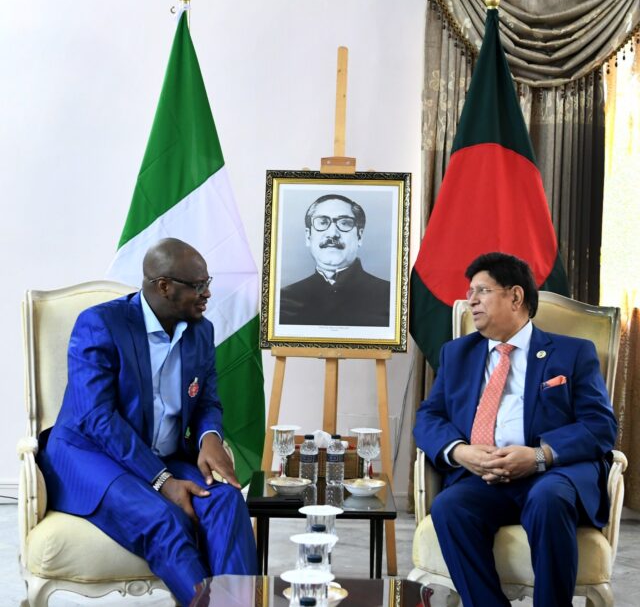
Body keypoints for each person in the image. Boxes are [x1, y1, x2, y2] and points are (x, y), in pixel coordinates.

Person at [37, 238, 257, 606]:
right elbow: (97, 418)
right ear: (164, 286)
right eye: (198, 285)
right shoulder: (100, 324)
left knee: (227, 502)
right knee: (163, 520)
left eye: (207, 282)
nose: (207, 293)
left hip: (163, 453)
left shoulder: (200, 331)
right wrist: (163, 480)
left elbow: (206, 401)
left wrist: (209, 436)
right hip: (92, 456)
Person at [413, 252, 617, 607]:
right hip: (483, 477)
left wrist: (539, 455)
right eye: (470, 292)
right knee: (450, 507)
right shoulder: (457, 354)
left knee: (548, 499)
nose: (471, 300)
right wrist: (461, 451)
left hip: (551, 474)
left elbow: (600, 425)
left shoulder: (571, 353)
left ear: (516, 296)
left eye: (482, 290)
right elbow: (429, 416)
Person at [279, 193, 390, 326]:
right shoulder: (283, 299)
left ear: (359, 237)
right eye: (322, 222)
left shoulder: (389, 296)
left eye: (344, 223)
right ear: (308, 237)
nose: (332, 234)